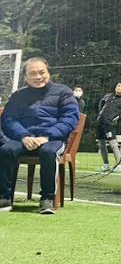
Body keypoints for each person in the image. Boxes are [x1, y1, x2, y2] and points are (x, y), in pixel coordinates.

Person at [0, 58, 80, 214]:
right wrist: (24, 136)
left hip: (52, 139)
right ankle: (4, 197)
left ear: (48, 72)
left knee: (48, 152)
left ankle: (47, 199)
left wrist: (47, 136)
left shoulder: (64, 92)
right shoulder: (18, 95)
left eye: (42, 72)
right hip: (25, 138)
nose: (38, 77)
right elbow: (9, 119)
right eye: (33, 73)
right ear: (25, 77)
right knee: (5, 150)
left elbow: (70, 119)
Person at [96, 82, 121, 173]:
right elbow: (101, 104)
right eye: (118, 85)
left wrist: (119, 117)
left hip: (110, 124)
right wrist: (100, 114)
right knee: (101, 144)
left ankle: (118, 165)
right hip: (100, 123)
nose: (119, 87)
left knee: (113, 144)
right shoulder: (108, 96)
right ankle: (106, 165)